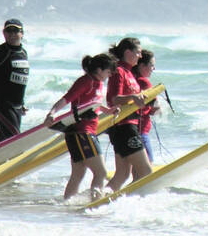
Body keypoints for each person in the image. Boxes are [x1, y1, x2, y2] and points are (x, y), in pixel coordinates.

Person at [47, 55, 118, 200]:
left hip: (82, 133)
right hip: (81, 133)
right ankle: (96, 202)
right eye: (109, 71)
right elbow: (67, 98)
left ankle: (67, 205)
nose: (110, 75)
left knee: (78, 173)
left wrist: (108, 111)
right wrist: (52, 113)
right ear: (99, 70)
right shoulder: (86, 81)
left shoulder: (97, 83)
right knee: (101, 172)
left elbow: (92, 104)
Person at [105, 37, 152, 192]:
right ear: (127, 52)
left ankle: (96, 199)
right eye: (137, 53)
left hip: (127, 127)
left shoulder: (129, 73)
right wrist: (132, 97)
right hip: (124, 128)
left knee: (122, 175)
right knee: (146, 172)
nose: (140, 56)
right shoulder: (118, 71)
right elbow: (113, 99)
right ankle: (128, 203)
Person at [133, 48, 160, 162]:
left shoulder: (131, 78)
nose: (153, 68)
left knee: (131, 170)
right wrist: (157, 109)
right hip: (141, 130)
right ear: (143, 65)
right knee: (148, 166)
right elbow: (155, 107)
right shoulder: (144, 81)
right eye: (152, 65)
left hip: (130, 129)